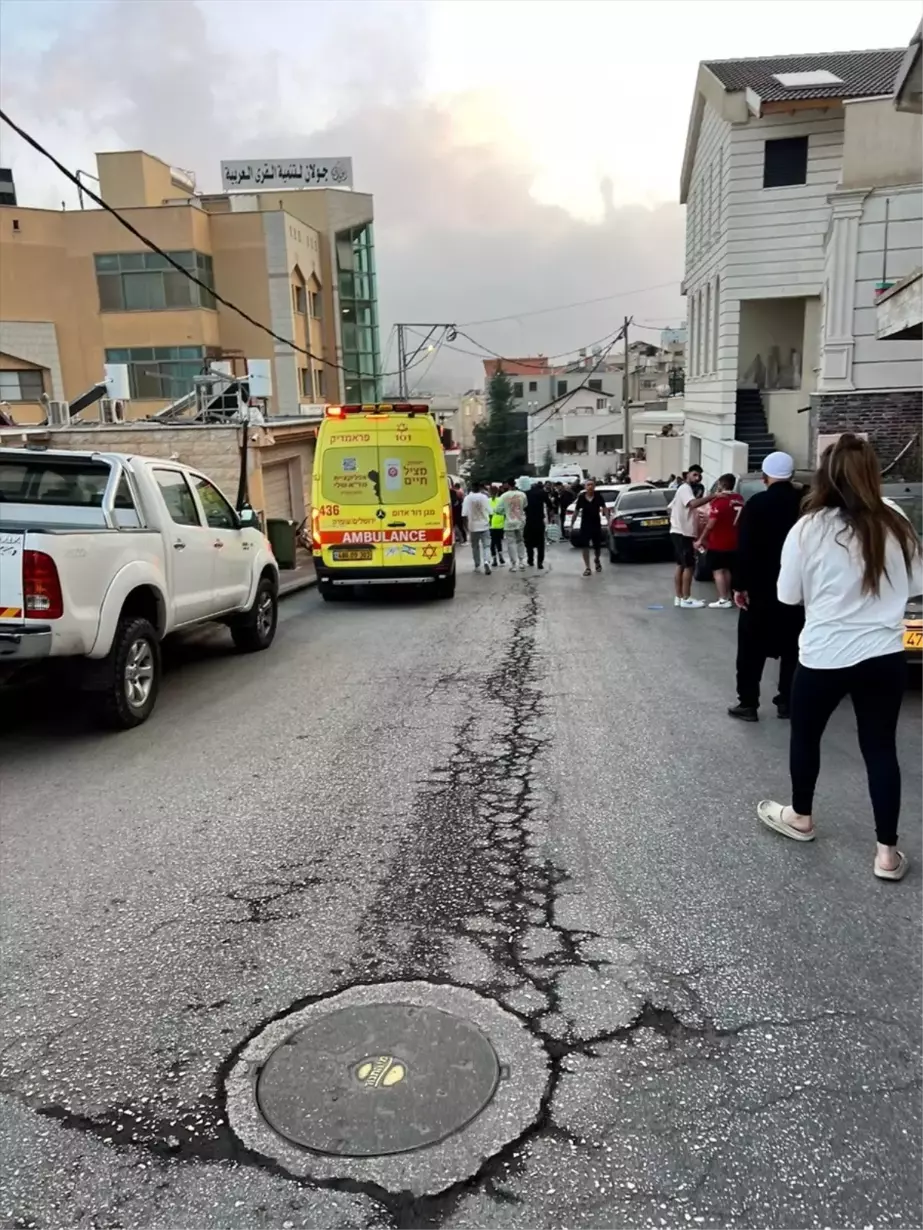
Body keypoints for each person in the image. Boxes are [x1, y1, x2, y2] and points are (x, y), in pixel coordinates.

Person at [757, 434, 923, 881]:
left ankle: (801, 817)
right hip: (884, 655)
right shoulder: (898, 520)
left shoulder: (809, 528)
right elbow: (917, 585)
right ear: (873, 473)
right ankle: (886, 854)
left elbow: (786, 595)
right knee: (880, 748)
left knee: (806, 738)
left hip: (824, 655)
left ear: (825, 476)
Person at [728, 452, 804, 721]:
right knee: (794, 648)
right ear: (792, 475)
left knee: (750, 649)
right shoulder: (805, 504)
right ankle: (788, 700)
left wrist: (739, 586)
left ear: (764, 476)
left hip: (760, 589)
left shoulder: (757, 504)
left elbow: (745, 547)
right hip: (797, 589)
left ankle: (748, 703)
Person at [694, 473, 744, 608]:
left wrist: (701, 539)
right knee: (727, 569)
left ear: (721, 484)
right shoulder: (739, 499)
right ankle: (728, 596)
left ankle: (723, 598)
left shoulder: (719, 501)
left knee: (718, 570)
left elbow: (711, 524)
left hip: (719, 541)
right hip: (735, 540)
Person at [669, 465, 710, 608]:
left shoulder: (683, 490)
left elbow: (670, 507)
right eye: (695, 475)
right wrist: (713, 496)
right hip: (682, 533)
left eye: (699, 476)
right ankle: (686, 598)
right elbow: (693, 504)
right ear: (687, 475)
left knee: (681, 564)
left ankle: (679, 597)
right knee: (689, 566)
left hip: (679, 531)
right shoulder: (685, 489)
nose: (697, 478)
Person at [572, 479, 608, 576]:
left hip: (596, 524)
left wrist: (608, 521)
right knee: (585, 546)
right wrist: (572, 523)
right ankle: (587, 567)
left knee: (597, 547)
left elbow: (605, 509)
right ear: (585, 487)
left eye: (592, 485)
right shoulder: (581, 498)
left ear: (594, 486)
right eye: (588, 485)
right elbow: (576, 511)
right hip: (585, 525)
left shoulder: (598, 497)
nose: (590, 487)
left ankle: (597, 559)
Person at [461, 481, 492, 575]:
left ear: (471, 488)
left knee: (475, 547)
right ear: (479, 488)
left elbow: (464, 514)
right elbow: (490, 511)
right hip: (484, 525)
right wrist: (489, 521)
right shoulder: (484, 497)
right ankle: (486, 561)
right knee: (486, 546)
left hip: (473, 526)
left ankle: (477, 565)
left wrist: (466, 527)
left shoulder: (467, 498)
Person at [499, 478, 528, 571]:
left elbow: (498, 509)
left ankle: (513, 564)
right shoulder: (522, 494)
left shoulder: (504, 496)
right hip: (520, 521)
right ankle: (522, 562)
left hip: (509, 522)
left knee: (511, 543)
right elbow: (525, 505)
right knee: (520, 541)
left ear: (508, 485)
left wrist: (504, 512)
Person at [525, 479, 554, 569]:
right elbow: (550, 505)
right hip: (539, 521)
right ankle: (540, 562)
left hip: (529, 520)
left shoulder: (527, 493)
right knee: (540, 543)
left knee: (528, 542)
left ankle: (530, 560)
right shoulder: (543, 493)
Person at [489, 484, 506, 567]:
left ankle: (494, 559)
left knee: (492, 542)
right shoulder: (500, 500)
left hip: (491, 524)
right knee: (499, 541)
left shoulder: (488, 501)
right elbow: (504, 511)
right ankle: (500, 556)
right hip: (500, 523)